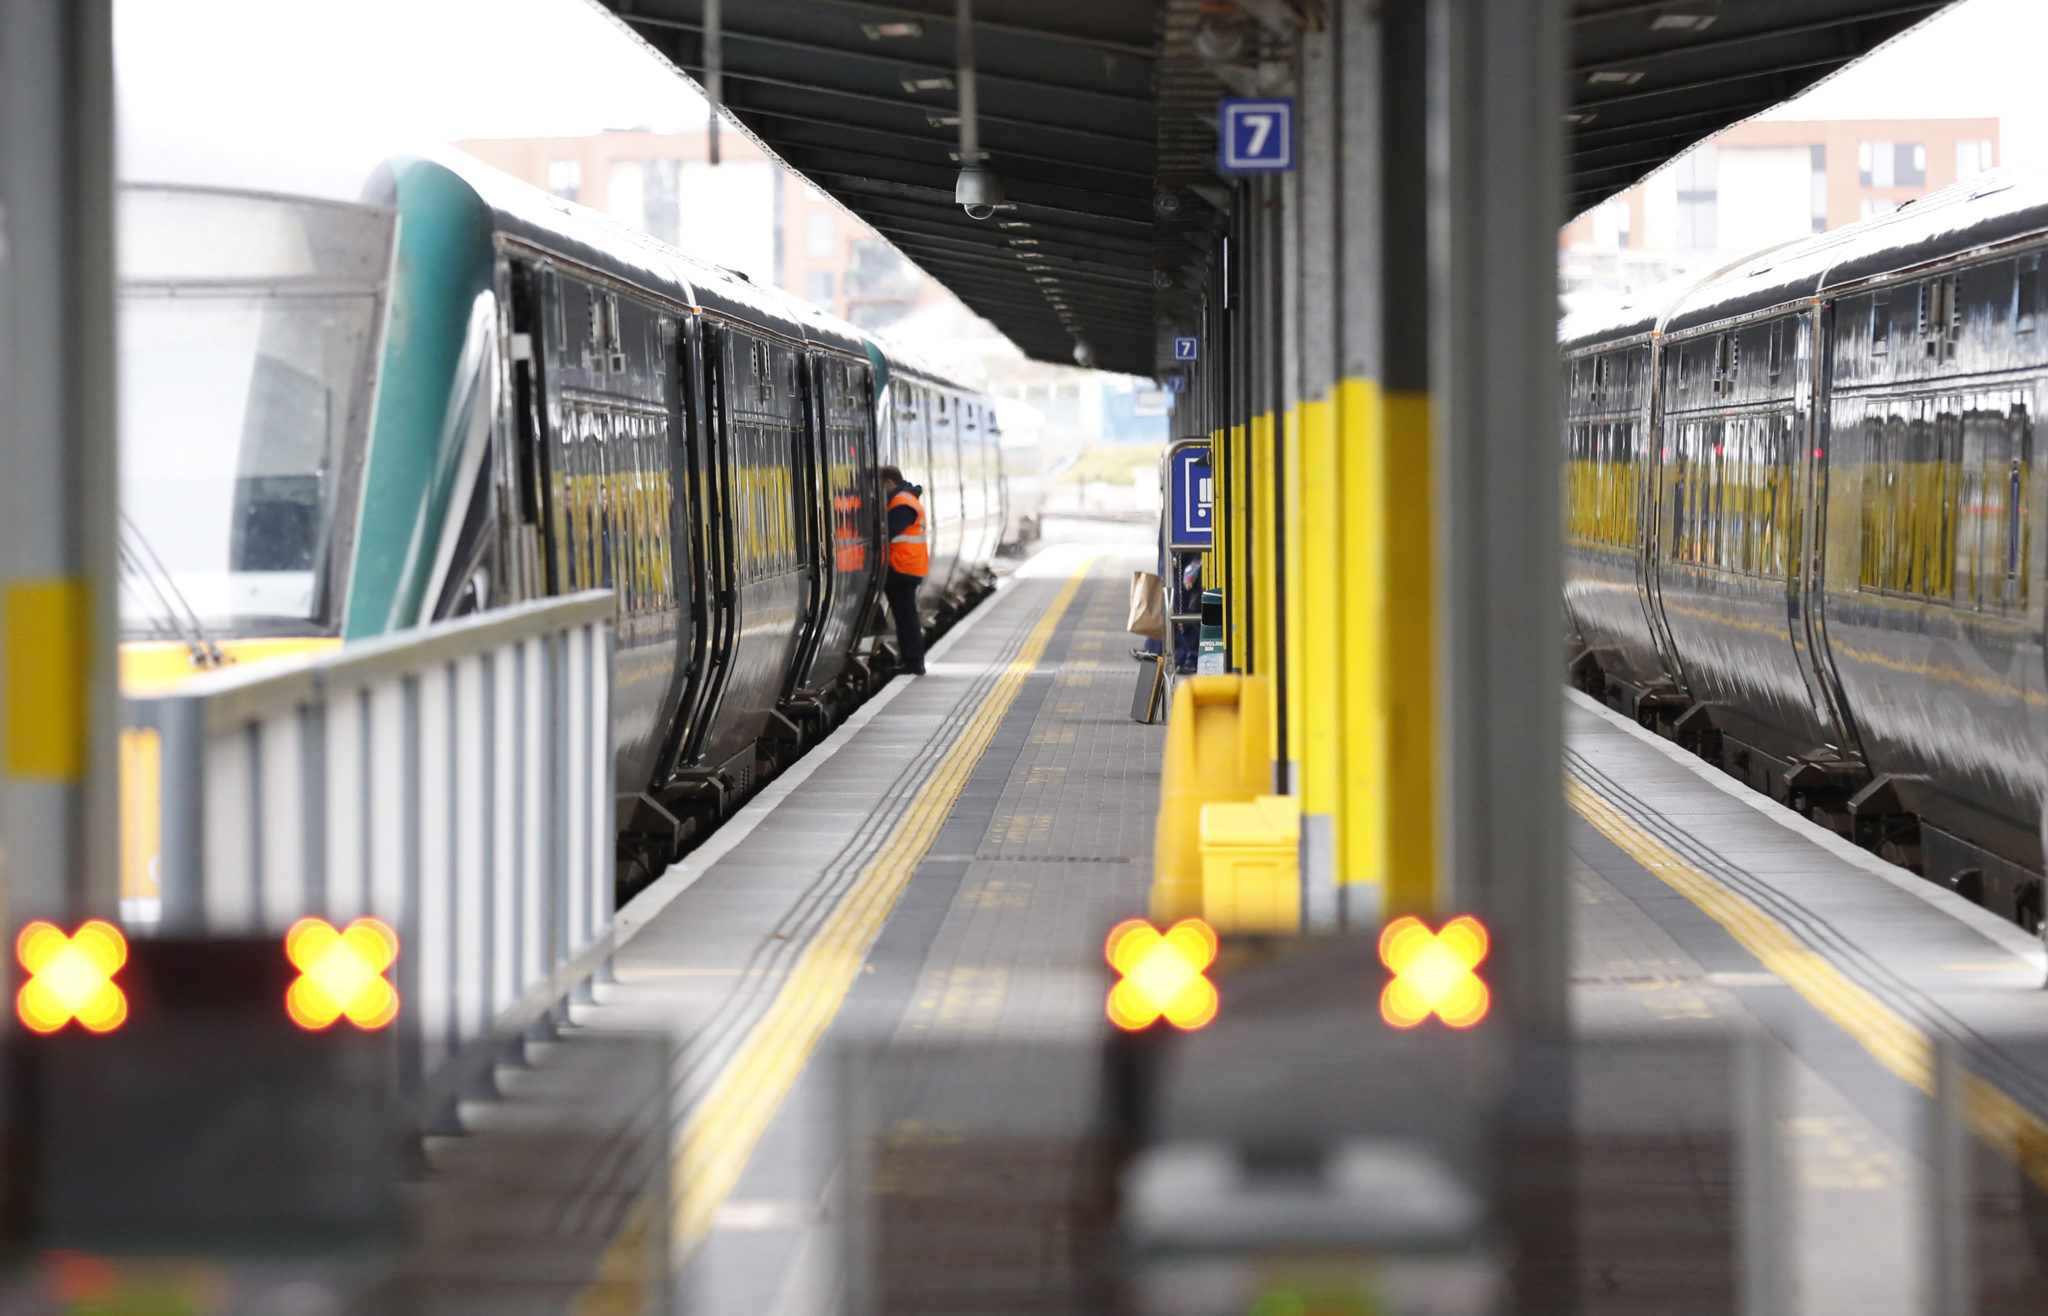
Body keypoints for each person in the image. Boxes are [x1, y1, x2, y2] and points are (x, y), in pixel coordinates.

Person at [879, 465, 929, 676]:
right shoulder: (907, 499)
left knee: (906, 616)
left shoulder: (901, 503)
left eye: (881, 486)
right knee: (905, 615)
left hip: (903, 567)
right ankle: (912, 660)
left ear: (889, 482)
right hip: (908, 566)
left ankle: (914, 661)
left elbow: (889, 531)